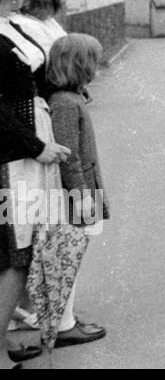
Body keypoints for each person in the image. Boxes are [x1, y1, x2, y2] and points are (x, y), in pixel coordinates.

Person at [0, 0, 73, 366]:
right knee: (15, 250)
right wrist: (36, 146)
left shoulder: (10, 26)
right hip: (15, 158)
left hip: (26, 149)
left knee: (19, 248)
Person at [46, 33, 110, 350]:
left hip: (83, 188)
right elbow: (69, 155)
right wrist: (82, 196)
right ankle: (64, 324)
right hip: (78, 191)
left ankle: (66, 317)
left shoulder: (71, 98)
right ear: (80, 65)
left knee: (76, 253)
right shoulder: (65, 103)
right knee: (71, 254)